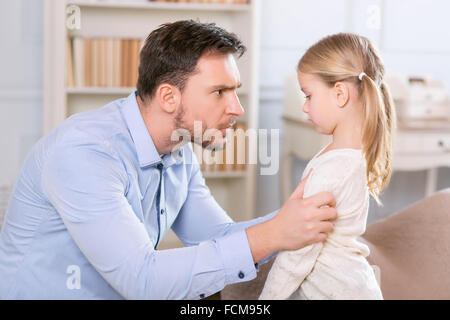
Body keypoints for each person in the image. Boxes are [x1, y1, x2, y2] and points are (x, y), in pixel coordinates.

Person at [0, 20, 337, 299]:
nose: (237, 108)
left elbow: (217, 235)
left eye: (235, 90)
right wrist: (273, 234)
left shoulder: (177, 151)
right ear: (168, 97)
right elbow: (142, 280)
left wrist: (297, 217)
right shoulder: (85, 153)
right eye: (220, 92)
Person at [259, 33, 396, 300]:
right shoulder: (351, 155)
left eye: (309, 95)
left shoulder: (333, 170)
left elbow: (299, 251)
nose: (305, 107)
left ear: (340, 94)